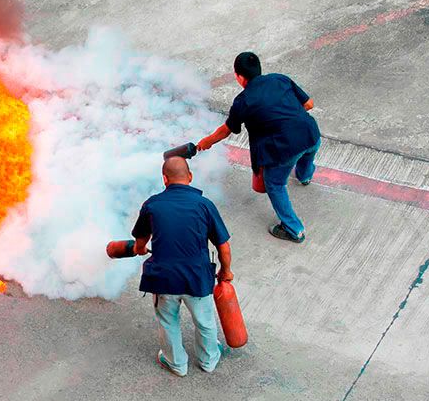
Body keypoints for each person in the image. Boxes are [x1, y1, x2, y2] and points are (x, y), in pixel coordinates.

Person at [197, 51, 320, 243]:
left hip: (284, 148)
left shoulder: (243, 101)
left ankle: (293, 229)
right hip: (311, 134)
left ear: (239, 77)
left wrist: (207, 141)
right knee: (306, 154)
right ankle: (305, 177)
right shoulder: (280, 79)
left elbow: (227, 129)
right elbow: (309, 104)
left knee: (275, 184)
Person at [131, 156, 234, 376]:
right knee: (205, 322)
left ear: (165, 179)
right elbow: (223, 246)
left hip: (164, 279)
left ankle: (176, 364)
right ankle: (209, 361)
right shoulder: (204, 205)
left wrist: (140, 249)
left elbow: (140, 244)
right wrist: (225, 272)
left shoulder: (152, 204)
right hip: (197, 279)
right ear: (190, 177)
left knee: (168, 321)